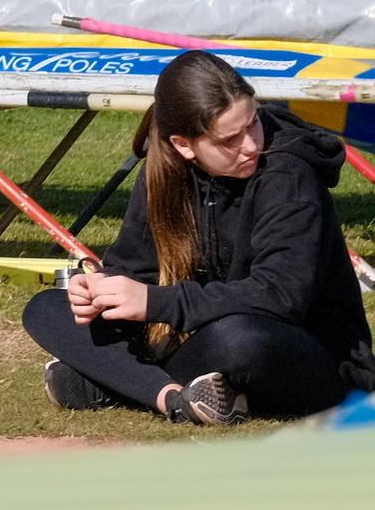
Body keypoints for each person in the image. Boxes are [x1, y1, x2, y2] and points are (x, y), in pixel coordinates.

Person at [27, 50, 374, 425]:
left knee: (237, 339)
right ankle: (174, 398)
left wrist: (154, 303)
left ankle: (115, 381)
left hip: (305, 352)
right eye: (229, 140)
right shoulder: (161, 174)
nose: (251, 145)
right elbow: (136, 269)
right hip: (198, 339)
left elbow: (280, 295)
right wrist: (101, 289)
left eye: (253, 123)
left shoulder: (289, 174)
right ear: (183, 145)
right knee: (47, 309)